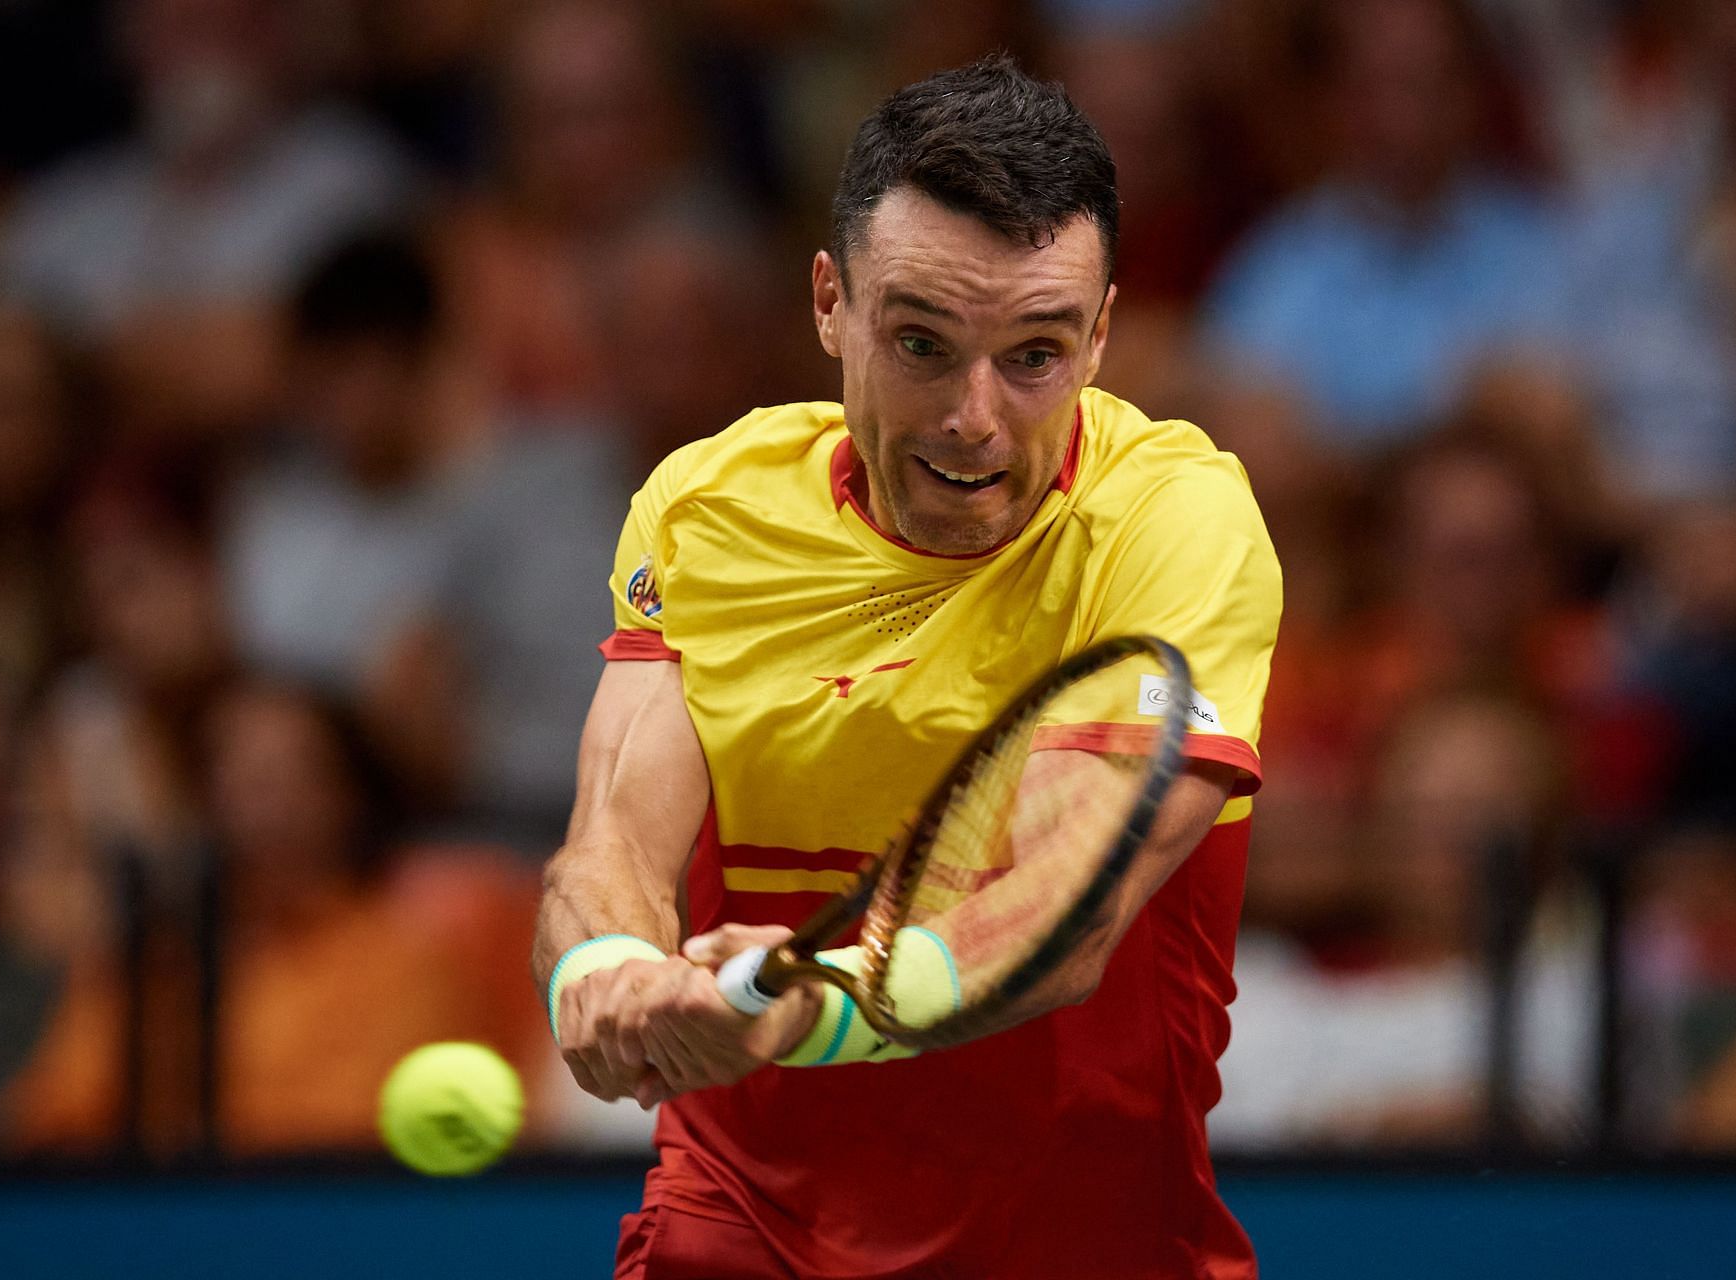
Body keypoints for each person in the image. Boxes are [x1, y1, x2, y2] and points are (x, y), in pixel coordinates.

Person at [532, 56, 1282, 1280]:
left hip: (1079, 1246)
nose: (974, 417)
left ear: (1100, 335)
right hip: (744, 1226)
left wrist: (812, 1005)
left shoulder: (1174, 524)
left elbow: (1068, 903)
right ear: (830, 302)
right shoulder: (706, 507)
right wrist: (607, 966)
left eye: (1034, 353)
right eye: (922, 342)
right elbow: (613, 836)